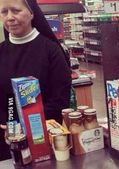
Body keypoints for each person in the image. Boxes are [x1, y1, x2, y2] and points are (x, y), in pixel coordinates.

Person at [0, 0, 71, 160]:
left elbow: (60, 101)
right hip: (5, 144)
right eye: (4, 12)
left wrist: (22, 123)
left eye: (16, 11)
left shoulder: (51, 51)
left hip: (43, 140)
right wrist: (6, 123)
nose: (9, 17)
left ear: (32, 13)